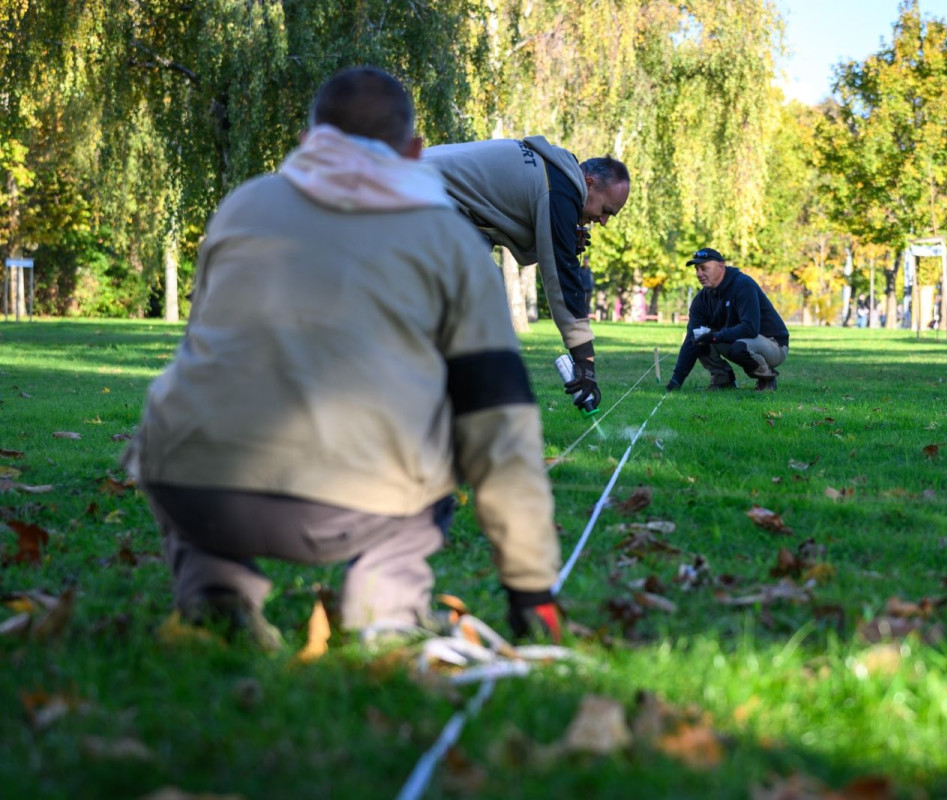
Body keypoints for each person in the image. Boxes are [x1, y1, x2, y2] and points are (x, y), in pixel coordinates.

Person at [126, 67, 562, 649]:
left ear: (309, 140)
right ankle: (388, 608)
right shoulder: (450, 240)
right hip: (355, 504)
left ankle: (214, 593)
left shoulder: (245, 205)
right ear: (414, 152)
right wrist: (531, 587)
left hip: (191, 482)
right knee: (447, 421)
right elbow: (498, 417)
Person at [422, 137, 630, 411]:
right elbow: (561, 277)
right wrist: (584, 359)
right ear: (589, 182)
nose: (603, 222)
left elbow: (507, 228)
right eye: (605, 211)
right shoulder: (560, 192)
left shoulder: (555, 172)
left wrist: (562, 237)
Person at [665, 248, 789, 392]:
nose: (699, 274)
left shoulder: (743, 285)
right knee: (699, 339)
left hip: (774, 344)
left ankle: (767, 378)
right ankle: (723, 379)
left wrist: (715, 337)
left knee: (738, 348)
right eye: (697, 269)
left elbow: (750, 328)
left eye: (704, 268)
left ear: (721, 265)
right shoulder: (701, 300)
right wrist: (676, 380)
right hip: (742, 340)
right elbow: (691, 339)